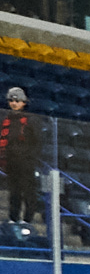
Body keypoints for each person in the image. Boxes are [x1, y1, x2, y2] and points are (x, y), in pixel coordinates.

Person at [1, 87, 40, 224]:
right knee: (14, 192)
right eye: (11, 100)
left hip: (26, 162)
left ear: (23, 102)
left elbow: (36, 141)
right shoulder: (6, 119)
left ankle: (27, 218)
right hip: (11, 161)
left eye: (17, 100)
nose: (14, 103)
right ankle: (13, 217)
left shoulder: (30, 120)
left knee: (28, 191)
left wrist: (29, 157)